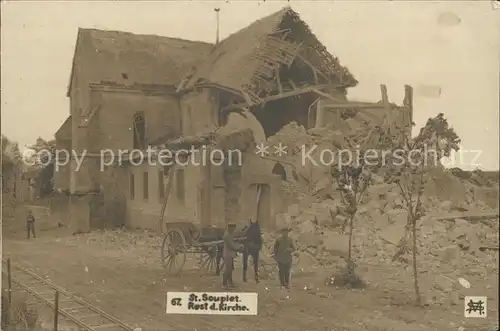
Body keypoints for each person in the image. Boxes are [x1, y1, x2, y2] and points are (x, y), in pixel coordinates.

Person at [222, 222, 244, 289]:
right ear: (230, 228)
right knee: (228, 269)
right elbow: (231, 246)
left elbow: (233, 242)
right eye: (233, 229)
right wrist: (240, 246)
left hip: (230, 254)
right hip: (227, 254)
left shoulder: (229, 234)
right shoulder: (226, 235)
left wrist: (237, 241)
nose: (233, 230)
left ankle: (230, 283)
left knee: (230, 269)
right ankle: (224, 284)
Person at [242, 218, 262, 283]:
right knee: (248, 262)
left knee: (255, 262)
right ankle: (245, 275)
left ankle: (255, 276)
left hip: (254, 246)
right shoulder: (250, 229)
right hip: (248, 246)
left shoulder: (255, 229)